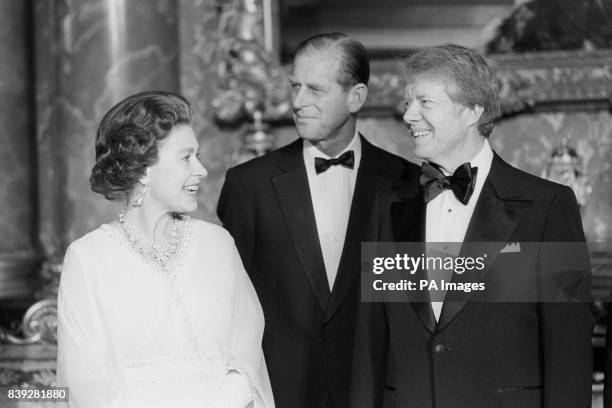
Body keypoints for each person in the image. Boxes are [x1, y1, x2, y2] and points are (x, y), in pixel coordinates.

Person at [351, 44, 594, 408]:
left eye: (424, 103)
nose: (409, 116)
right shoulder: (388, 208)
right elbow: (370, 345)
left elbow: (568, 352)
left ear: (472, 111)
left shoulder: (547, 207)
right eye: (407, 103)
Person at [217, 33, 418, 408]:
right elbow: (228, 308)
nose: (297, 102)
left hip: (376, 393)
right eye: (295, 86)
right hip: (280, 393)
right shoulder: (250, 186)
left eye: (315, 89)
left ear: (355, 97)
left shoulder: (407, 183)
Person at [56, 91, 274, 408]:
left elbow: (247, 356)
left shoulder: (218, 245)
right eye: (186, 157)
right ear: (143, 168)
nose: (201, 170)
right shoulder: (88, 259)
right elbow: (85, 385)